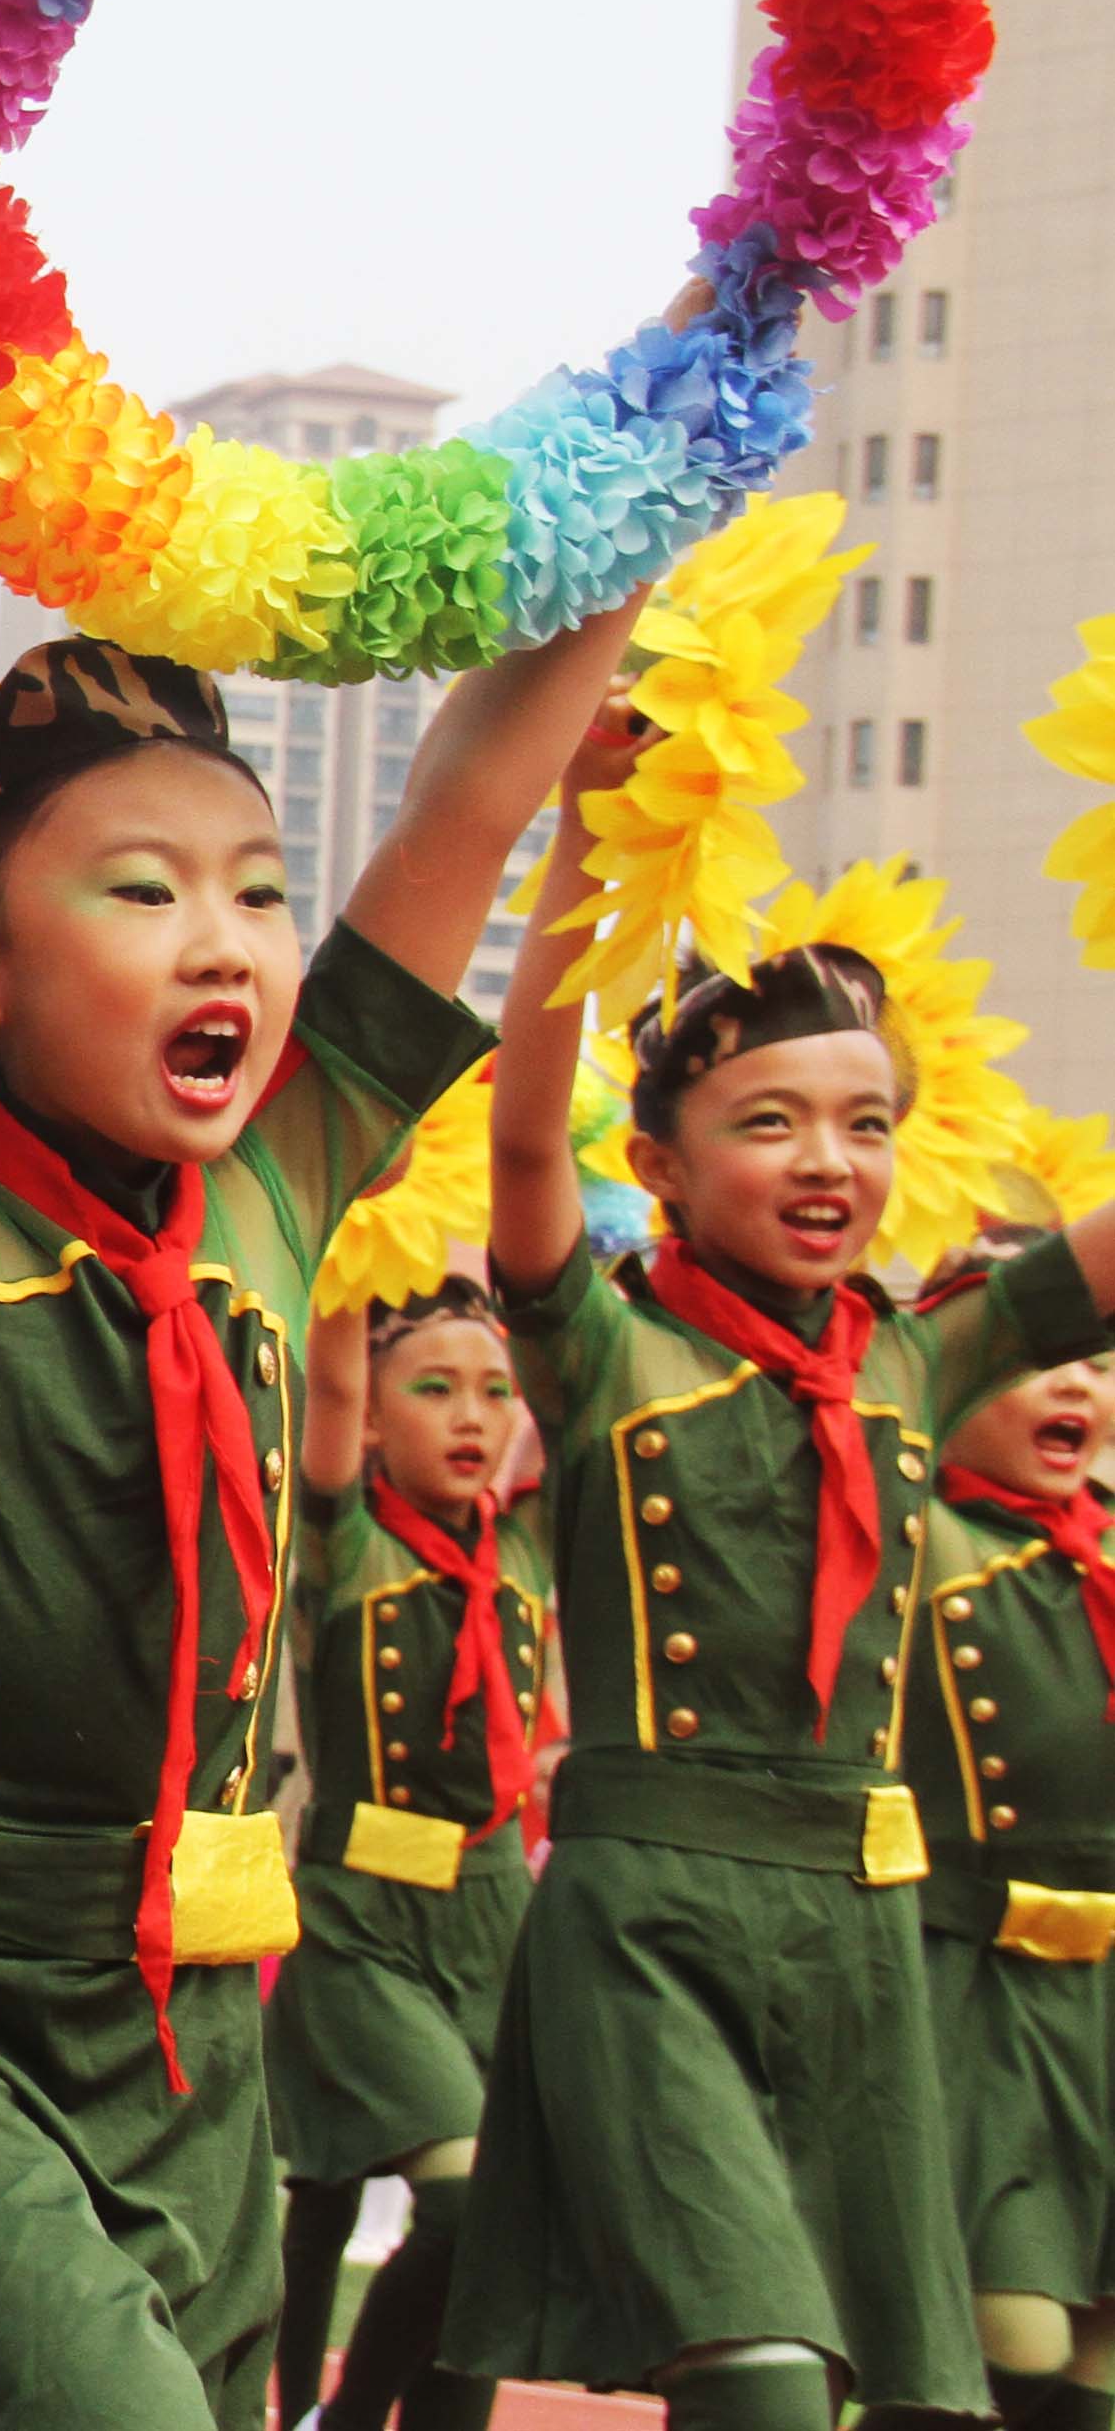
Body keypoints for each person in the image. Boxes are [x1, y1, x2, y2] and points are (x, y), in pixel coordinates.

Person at [0, 158, 638, 2429]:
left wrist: (668, 446)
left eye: (247, 882)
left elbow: (465, 799)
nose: (224, 935)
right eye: (137, 887)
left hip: (194, 2017)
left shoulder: (268, 1198)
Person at [451, 744, 1115, 2427]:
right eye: (770, 1121)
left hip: (856, 1934)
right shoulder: (603, 1351)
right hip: (645, 1917)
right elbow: (525, 1133)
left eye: (864, 1123)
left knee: (887, 2400)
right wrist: (583, 865)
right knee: (751, 2367)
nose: (830, 1159)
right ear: (659, 1161)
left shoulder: (914, 1355)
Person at [270, 1285, 550, 2431]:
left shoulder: (528, 1540)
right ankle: (336, 2420)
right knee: (463, 2202)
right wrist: (368, 1218)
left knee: (507, 2233)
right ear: (376, 1419)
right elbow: (328, 1380)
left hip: (498, 1916)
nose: (469, 1416)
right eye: (432, 1390)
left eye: (494, 1392)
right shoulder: (349, 1543)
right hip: (364, 1922)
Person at [904, 1226, 1115, 2431]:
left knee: (1092, 2375)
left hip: (1110, 1996)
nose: (1077, 1380)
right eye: (1041, 1358)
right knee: (1008, 2349)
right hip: (979, 1995)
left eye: (1097, 1360)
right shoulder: (916, 1538)